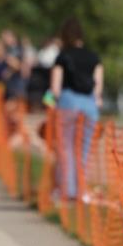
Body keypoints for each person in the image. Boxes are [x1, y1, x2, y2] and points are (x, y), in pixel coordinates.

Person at [49, 17, 103, 201]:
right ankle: (82, 191)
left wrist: (50, 102)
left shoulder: (62, 57)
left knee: (66, 149)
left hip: (68, 102)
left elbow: (55, 89)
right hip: (89, 105)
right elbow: (98, 89)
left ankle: (68, 191)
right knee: (85, 150)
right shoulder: (94, 57)